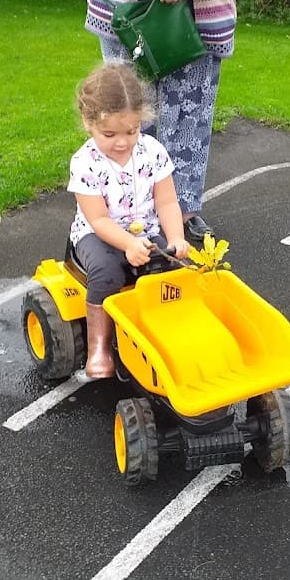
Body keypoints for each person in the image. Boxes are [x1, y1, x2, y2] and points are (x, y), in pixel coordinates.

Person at [73, 0, 255, 244]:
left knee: (189, 128)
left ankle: (184, 215)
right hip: (128, 30)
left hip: (199, 34)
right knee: (129, 122)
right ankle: (120, 216)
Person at [69, 62, 191, 379]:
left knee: (172, 267)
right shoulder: (85, 162)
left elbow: (166, 201)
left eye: (132, 131)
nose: (122, 142)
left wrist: (176, 237)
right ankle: (99, 346)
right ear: (88, 122)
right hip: (99, 235)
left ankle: (166, 334)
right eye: (109, 134)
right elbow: (97, 219)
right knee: (107, 272)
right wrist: (128, 244)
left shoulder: (153, 152)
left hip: (145, 230)